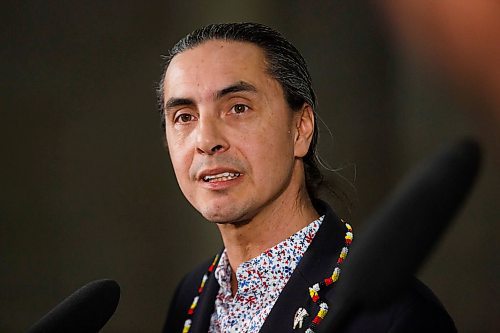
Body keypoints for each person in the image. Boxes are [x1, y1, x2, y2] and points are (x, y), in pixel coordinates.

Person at [158, 22, 456, 333]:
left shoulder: (392, 314)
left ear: (301, 129)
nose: (206, 140)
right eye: (184, 117)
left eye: (238, 108)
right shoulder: (190, 298)